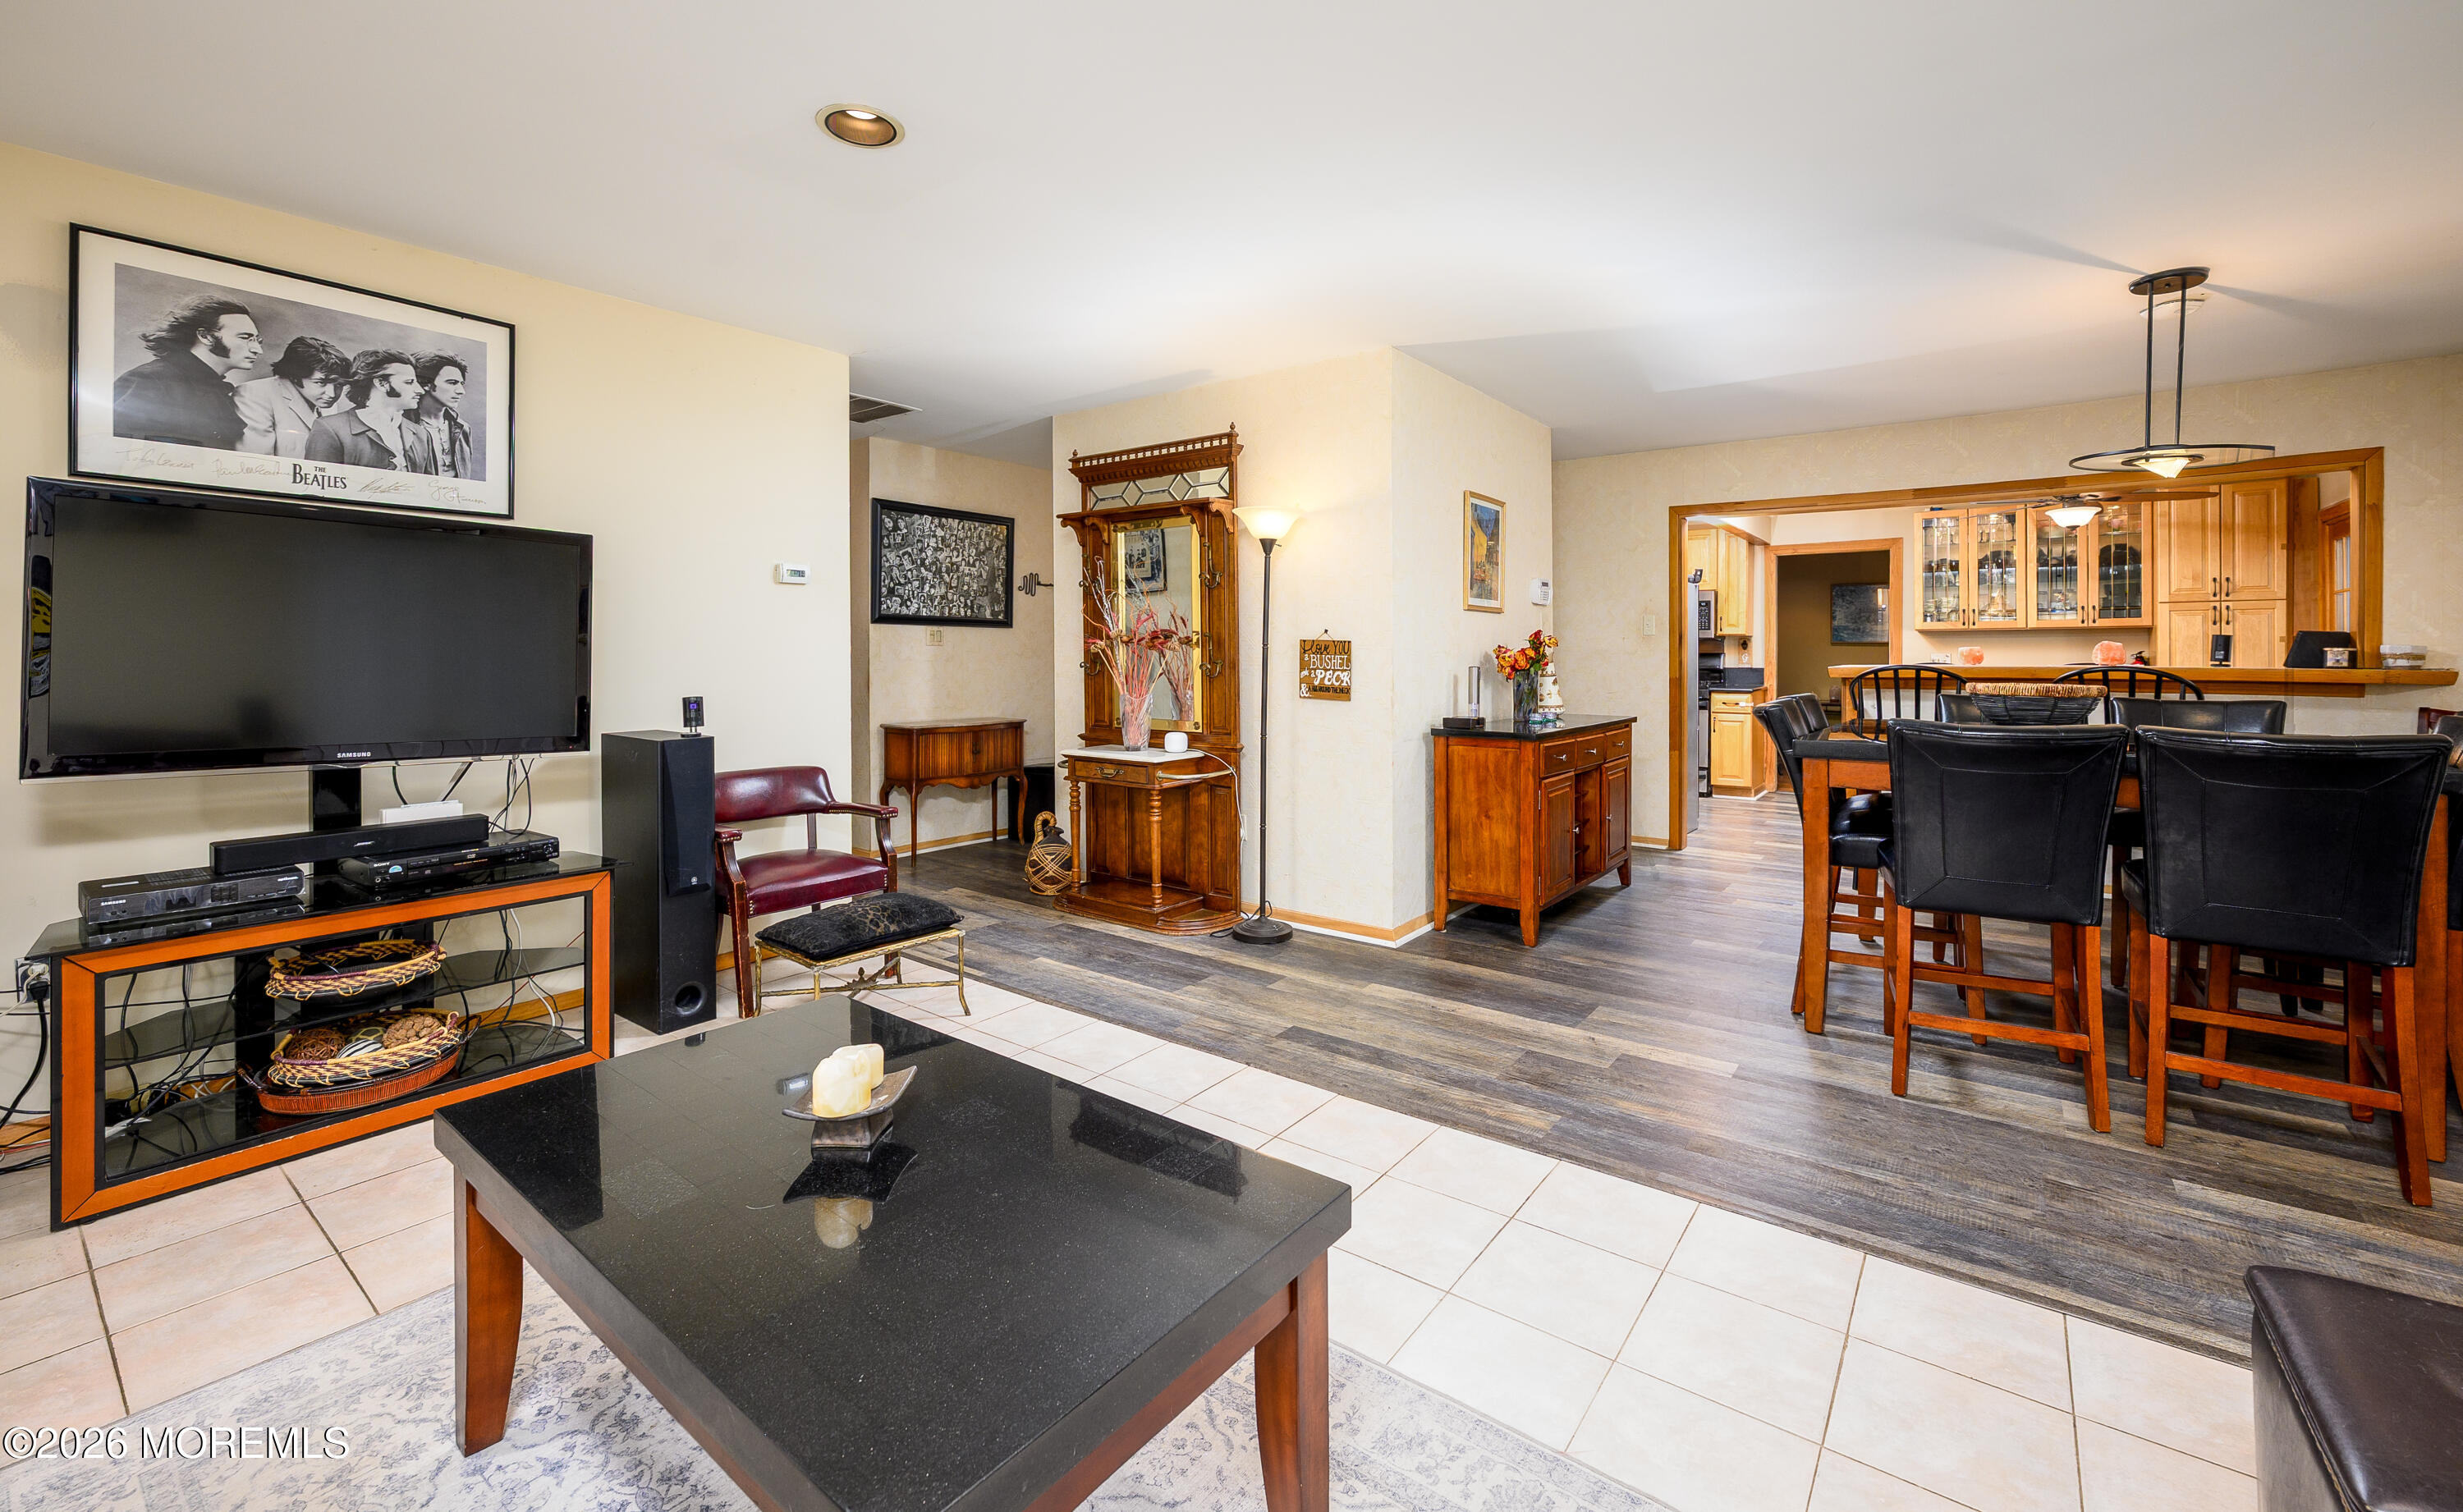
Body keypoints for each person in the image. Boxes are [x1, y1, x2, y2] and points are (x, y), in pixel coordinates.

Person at [111, 293, 263, 449]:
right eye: (245, 338)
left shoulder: (216, 390)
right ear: (206, 336)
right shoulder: (148, 381)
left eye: (258, 340)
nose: (258, 349)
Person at [305, 350, 422, 470]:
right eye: (409, 382)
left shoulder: (421, 434)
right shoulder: (329, 429)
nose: (420, 390)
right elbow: (319, 484)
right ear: (382, 384)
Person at [234, 337, 350, 458]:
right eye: (321, 382)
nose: (332, 394)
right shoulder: (255, 394)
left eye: (339, 385)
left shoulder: (326, 403)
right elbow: (256, 462)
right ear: (295, 376)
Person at [398, 351, 475, 478]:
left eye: (461, 384)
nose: (461, 391)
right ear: (426, 383)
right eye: (452, 382)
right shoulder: (398, 426)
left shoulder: (463, 428)